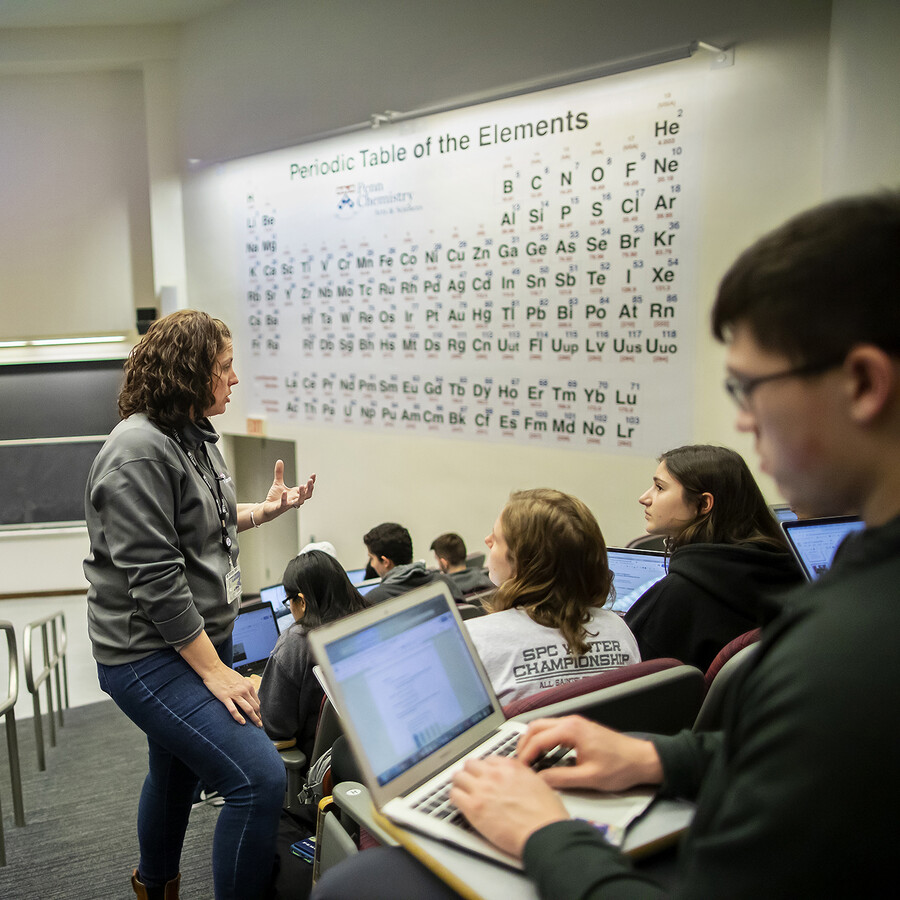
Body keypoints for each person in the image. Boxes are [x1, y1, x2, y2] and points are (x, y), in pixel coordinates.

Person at [313, 195, 900, 899]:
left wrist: (541, 834)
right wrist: (661, 756)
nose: (743, 419)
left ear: (863, 383)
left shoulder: (848, 656)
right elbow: (807, 768)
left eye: (749, 386)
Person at [84, 310, 316, 900]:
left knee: (174, 771)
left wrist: (262, 513)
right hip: (148, 653)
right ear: (189, 373)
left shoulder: (193, 434)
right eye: (224, 367)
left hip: (196, 642)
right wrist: (217, 674)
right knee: (258, 780)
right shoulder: (138, 449)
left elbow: (197, 523)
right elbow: (157, 579)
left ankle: (155, 884)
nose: (234, 379)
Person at [624, 444, 802, 671]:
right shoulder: (789, 571)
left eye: (659, 488)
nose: (644, 498)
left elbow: (621, 680)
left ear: (704, 504)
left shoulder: (677, 596)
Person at [465, 489, 640, 704]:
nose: (487, 540)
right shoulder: (619, 629)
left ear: (526, 562)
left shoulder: (474, 641)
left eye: (497, 538)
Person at [257, 550, 369, 761]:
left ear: (302, 601)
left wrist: (261, 692)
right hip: (370, 751)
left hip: (318, 767)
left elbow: (275, 727)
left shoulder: (296, 642)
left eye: (288, 601)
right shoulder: (369, 622)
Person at [362, 522, 464, 604]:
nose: (372, 564)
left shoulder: (373, 601)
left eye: (372, 558)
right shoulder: (444, 582)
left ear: (385, 562)